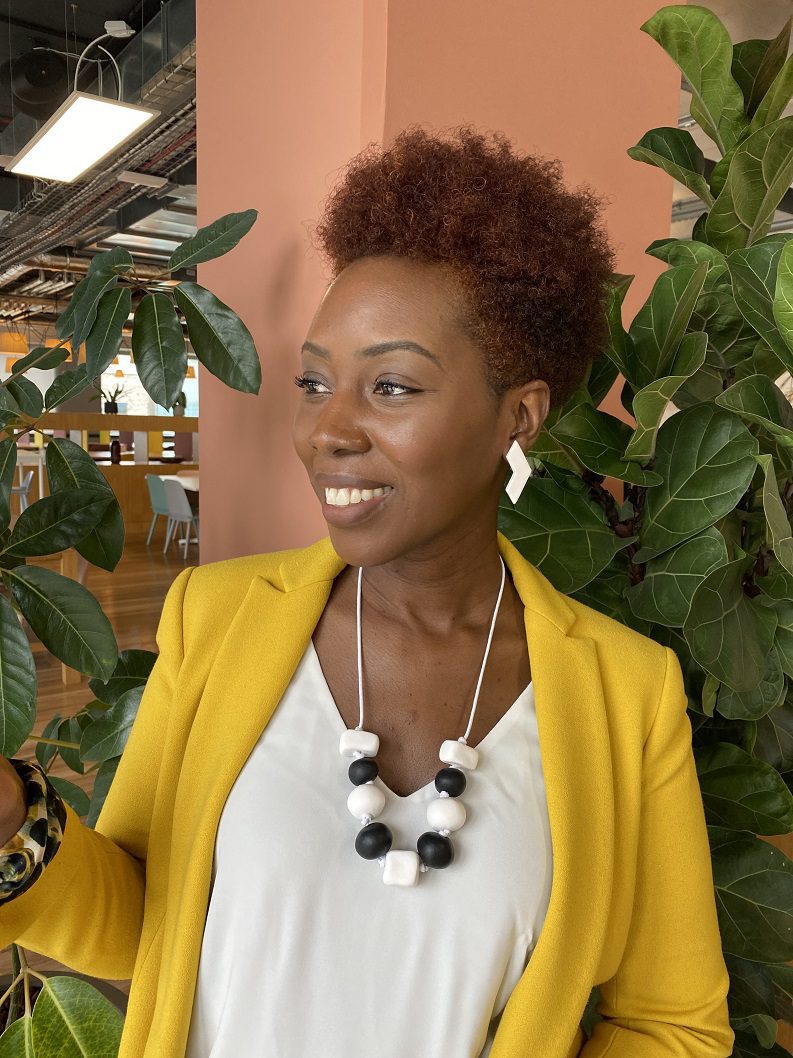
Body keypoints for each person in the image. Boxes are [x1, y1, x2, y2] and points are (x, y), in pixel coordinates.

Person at [0, 125, 733, 1058]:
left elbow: (674, 1025)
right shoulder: (216, 620)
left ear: (520, 416)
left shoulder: (625, 697)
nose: (326, 430)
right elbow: (145, 919)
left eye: (390, 385)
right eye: (314, 381)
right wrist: (13, 824)